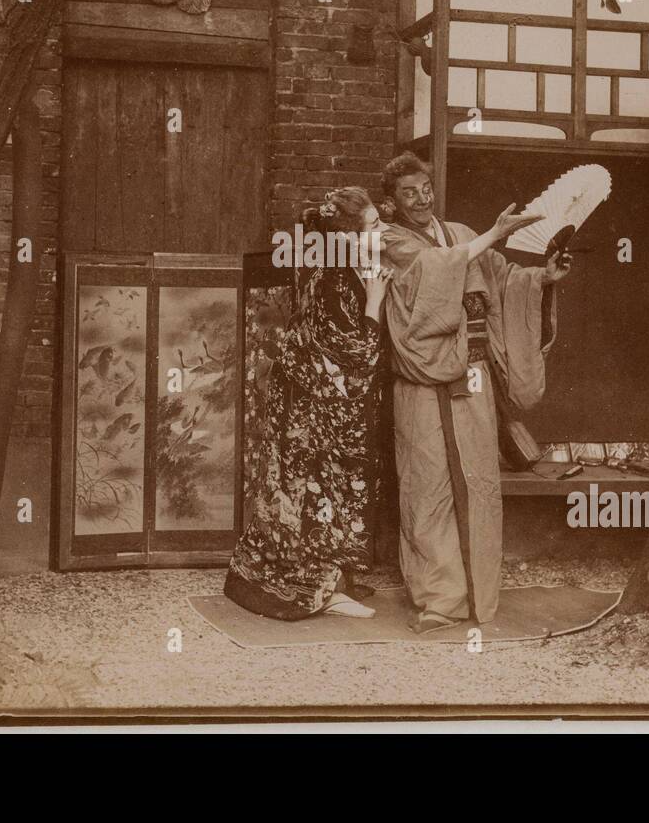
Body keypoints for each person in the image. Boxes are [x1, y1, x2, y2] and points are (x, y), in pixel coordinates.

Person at [379, 152, 572, 633]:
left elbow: (503, 280)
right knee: (428, 486)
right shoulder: (389, 240)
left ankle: (479, 594)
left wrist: (544, 277)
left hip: (473, 374)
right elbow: (431, 268)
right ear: (391, 201)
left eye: (426, 188)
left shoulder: (464, 233)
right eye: (409, 192)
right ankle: (438, 600)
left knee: (479, 482)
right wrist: (497, 232)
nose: (422, 199)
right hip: (423, 381)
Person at [224, 188, 393, 620]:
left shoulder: (341, 264)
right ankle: (310, 589)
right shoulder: (335, 276)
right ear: (350, 237)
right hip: (311, 404)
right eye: (374, 226)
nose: (383, 230)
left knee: (308, 488)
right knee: (312, 489)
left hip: (310, 396)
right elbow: (356, 352)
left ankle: (327, 580)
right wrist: (375, 302)